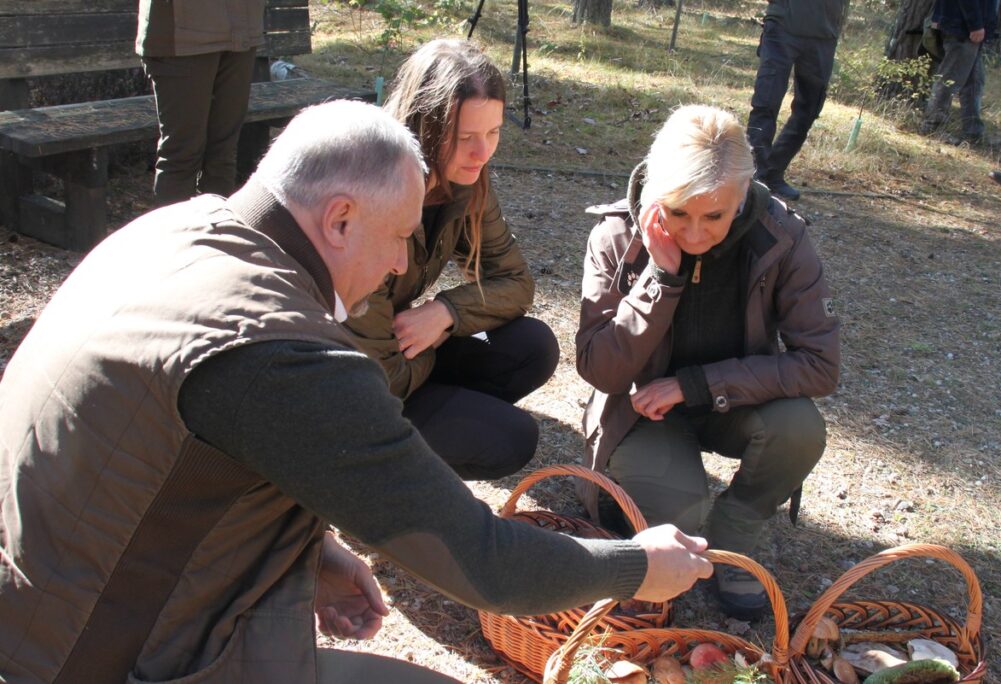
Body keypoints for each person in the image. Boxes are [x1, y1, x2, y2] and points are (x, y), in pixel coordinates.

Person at [0, 100, 713, 684]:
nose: (404, 260)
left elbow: (152, 462)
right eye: (400, 235)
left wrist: (313, 552)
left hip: (40, 613)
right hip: (101, 657)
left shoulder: (170, 231)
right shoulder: (282, 354)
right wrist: (637, 566)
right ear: (339, 218)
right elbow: (486, 563)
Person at [576, 105, 840, 621]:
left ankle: (736, 535)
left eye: (714, 216)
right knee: (683, 515)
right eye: (678, 214)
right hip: (640, 413)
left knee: (800, 428)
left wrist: (697, 385)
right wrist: (662, 277)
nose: (694, 235)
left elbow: (819, 365)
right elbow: (601, 369)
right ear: (656, 193)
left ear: (742, 197)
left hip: (733, 400)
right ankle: (645, 511)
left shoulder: (782, 237)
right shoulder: (617, 235)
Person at [344, 39, 559, 481]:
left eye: (494, 133)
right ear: (424, 127)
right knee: (512, 438)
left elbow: (515, 281)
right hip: (350, 387)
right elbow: (381, 376)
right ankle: (362, 472)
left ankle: (437, 427)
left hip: (397, 352)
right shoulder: (373, 195)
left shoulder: (466, 178)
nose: (483, 154)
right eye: (465, 138)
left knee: (532, 347)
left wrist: (445, 313)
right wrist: (437, 338)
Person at [136, 0, 264, 206]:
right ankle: (177, 236)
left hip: (241, 30)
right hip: (182, 38)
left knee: (223, 154)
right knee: (183, 155)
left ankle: (218, 234)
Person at [745, 0, 849, 201]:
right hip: (783, 25)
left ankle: (773, 172)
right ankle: (754, 175)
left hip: (824, 33)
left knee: (810, 108)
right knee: (766, 102)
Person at [919, 0, 999, 145]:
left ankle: (973, 132)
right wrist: (975, 25)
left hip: (969, 29)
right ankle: (932, 126)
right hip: (962, 28)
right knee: (949, 79)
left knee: (974, 82)